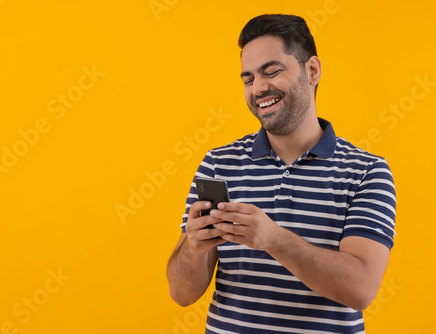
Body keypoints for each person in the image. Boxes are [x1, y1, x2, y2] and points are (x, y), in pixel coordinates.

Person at [166, 14, 396, 334]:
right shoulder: (219, 164)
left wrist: (273, 239)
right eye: (248, 79)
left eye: (271, 71)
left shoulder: (367, 172)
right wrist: (193, 246)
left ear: (312, 71)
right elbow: (181, 294)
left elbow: (360, 289)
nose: (259, 88)